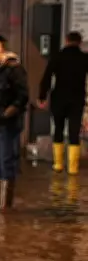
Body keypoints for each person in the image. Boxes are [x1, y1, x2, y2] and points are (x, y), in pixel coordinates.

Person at [0, 39, 29, 210]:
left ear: (2, 51)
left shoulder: (13, 69)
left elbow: (22, 96)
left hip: (8, 125)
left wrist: (9, 112)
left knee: (7, 160)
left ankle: (5, 205)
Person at [37, 31, 88, 175]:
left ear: (66, 40)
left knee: (58, 129)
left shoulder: (57, 57)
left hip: (59, 98)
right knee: (74, 132)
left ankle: (58, 164)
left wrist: (42, 96)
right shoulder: (84, 58)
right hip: (77, 99)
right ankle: (73, 168)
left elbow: (47, 77)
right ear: (80, 42)